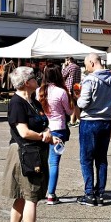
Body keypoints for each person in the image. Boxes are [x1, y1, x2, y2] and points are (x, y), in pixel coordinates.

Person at [2, 66, 58, 222]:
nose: (38, 79)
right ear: (27, 82)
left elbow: (43, 124)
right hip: (25, 154)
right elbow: (23, 132)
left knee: (22, 197)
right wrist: (43, 137)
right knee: (31, 198)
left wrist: (48, 133)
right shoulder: (17, 102)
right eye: (35, 77)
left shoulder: (32, 100)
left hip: (34, 152)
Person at [76, 54, 111, 207]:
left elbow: (84, 102)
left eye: (86, 64)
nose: (85, 68)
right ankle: (100, 194)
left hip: (90, 122)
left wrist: (77, 99)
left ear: (92, 63)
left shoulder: (90, 79)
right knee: (101, 159)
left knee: (86, 159)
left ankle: (89, 194)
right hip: (106, 121)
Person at [37, 64, 73, 205]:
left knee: (41, 161)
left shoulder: (38, 91)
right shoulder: (61, 92)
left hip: (43, 129)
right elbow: (69, 112)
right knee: (53, 162)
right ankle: (51, 194)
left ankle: (40, 191)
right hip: (58, 129)